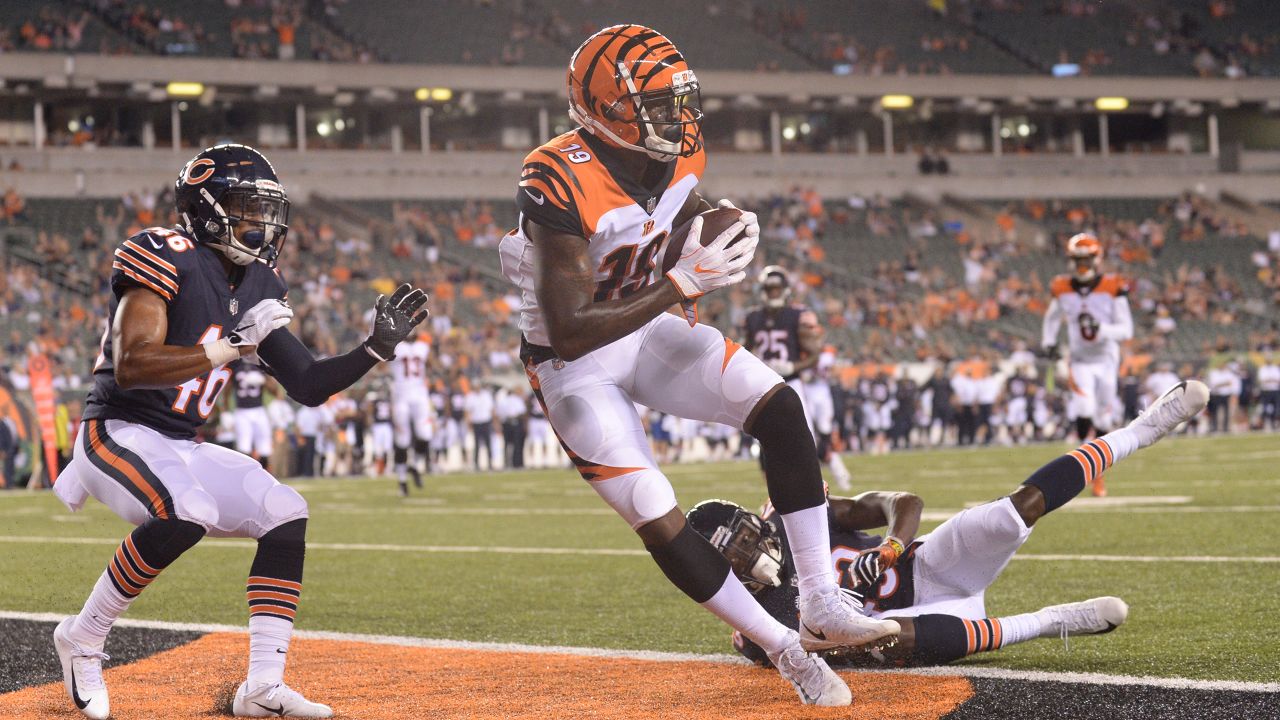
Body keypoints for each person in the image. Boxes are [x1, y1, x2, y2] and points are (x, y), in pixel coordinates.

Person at [497, 24, 897, 708]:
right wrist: (683, 284)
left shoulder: (677, 152)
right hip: (576, 363)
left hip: (646, 325)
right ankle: (784, 647)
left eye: (676, 100)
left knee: (777, 403)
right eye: (653, 104)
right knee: (652, 505)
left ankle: (822, 602)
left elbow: (682, 206)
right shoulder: (556, 176)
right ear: (603, 110)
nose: (674, 118)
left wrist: (724, 220)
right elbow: (569, 331)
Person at [50, 143, 429, 719]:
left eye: (264, 209)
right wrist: (226, 347)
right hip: (115, 431)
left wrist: (374, 348)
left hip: (180, 441)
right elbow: (134, 363)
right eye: (245, 207)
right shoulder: (164, 253)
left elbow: (306, 383)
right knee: (188, 510)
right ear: (205, 208)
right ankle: (84, 635)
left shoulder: (258, 284)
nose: (260, 222)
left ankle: (261, 687)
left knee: (284, 510)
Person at [691, 380, 1208, 669]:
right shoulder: (752, 624)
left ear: (750, 519)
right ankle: (1050, 621)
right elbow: (824, 651)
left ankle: (1140, 430)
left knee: (1018, 508)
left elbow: (904, 502)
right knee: (881, 639)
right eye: (733, 555)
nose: (750, 552)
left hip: (930, 563)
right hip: (917, 624)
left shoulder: (796, 515)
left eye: (744, 536)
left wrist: (892, 547)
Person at [1042, 233, 1133, 495]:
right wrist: (1048, 341)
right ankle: (1086, 468)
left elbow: (1126, 330)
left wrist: (1101, 329)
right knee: (1084, 409)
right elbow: (1051, 317)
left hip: (1106, 359)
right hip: (1080, 359)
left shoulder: (1113, 285)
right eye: (1077, 259)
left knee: (1103, 417)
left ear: (1097, 258)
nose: (1081, 264)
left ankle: (1099, 473)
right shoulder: (1061, 287)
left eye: (1086, 258)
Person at [389, 331, 433, 493]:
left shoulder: (423, 346)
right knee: (402, 441)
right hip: (401, 397)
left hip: (420, 396)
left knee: (426, 434)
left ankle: (414, 465)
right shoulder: (395, 346)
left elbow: (432, 365)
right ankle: (402, 480)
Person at [229, 359, 273, 469]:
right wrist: (225, 411)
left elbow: (274, 390)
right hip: (242, 411)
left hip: (259, 410)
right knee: (244, 446)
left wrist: (263, 380)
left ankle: (266, 474)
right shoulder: (235, 364)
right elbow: (227, 389)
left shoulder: (259, 363)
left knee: (264, 444)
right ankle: (244, 474)